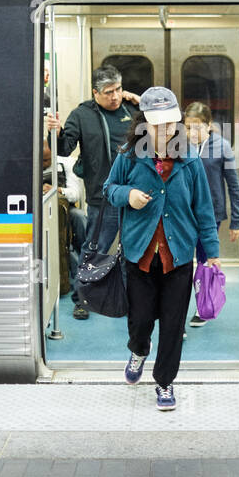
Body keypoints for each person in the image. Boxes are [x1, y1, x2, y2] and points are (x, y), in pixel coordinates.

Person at [103, 87, 221, 411]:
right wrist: (127, 195)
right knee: (140, 320)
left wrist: (212, 252)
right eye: (156, 124)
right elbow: (108, 188)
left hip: (179, 256)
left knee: (173, 326)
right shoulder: (129, 155)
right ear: (143, 123)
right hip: (139, 255)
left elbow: (204, 210)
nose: (164, 131)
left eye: (170, 124)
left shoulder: (190, 159)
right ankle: (139, 349)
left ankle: (165, 382)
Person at [47, 65, 139, 319]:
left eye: (119, 89)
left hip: (136, 196)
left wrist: (140, 101)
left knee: (132, 250)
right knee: (94, 250)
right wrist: (54, 133)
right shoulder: (82, 114)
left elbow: (160, 130)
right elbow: (64, 149)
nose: (115, 96)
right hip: (103, 197)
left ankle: (129, 298)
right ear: (95, 93)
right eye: (109, 92)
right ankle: (82, 298)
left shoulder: (131, 110)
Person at [183, 102, 239, 326]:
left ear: (208, 126)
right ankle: (178, 311)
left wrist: (237, 221)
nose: (192, 133)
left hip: (211, 214)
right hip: (184, 214)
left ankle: (203, 307)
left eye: (197, 127)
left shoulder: (222, 147)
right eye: (188, 127)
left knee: (205, 260)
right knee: (182, 264)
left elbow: (234, 186)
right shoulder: (180, 147)